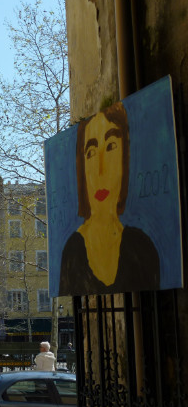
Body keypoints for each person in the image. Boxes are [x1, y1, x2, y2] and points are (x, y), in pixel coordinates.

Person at [59, 102, 160, 296]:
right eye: (91, 152)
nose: (101, 169)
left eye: (111, 146)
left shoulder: (142, 247)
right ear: (82, 167)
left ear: (124, 157)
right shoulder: (72, 252)